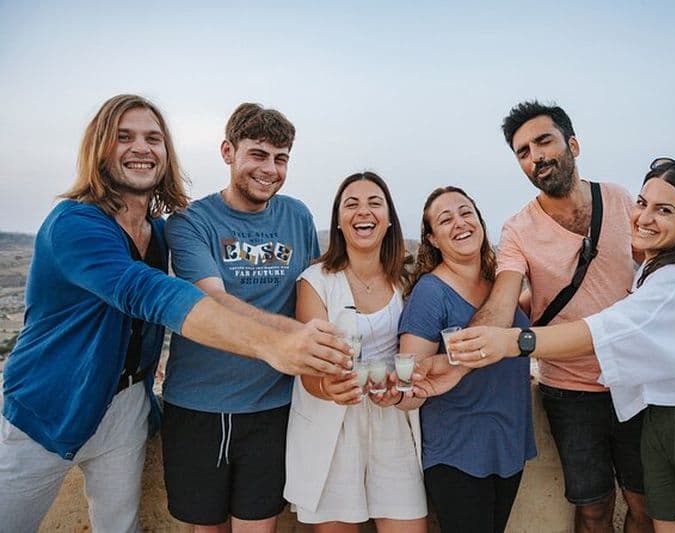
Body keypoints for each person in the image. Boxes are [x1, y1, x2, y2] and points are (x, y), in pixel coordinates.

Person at [0, 95, 350, 533]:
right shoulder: (75, 224)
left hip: (128, 406)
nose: (141, 148)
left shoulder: (159, 232)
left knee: (120, 526)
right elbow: (152, 293)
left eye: (153, 138)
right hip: (48, 407)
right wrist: (277, 342)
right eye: (124, 137)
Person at [449, 158, 675, 533]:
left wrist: (515, 341)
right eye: (643, 203)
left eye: (665, 210)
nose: (644, 217)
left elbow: (602, 330)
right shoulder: (656, 272)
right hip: (661, 417)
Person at [161, 103, 330, 532]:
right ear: (228, 151)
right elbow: (213, 301)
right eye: (258, 154)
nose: (270, 169)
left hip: (273, 407)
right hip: (199, 405)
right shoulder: (190, 221)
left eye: (281, 158)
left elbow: (312, 290)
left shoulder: (297, 215)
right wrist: (296, 334)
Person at [284, 171, 427, 532]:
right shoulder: (315, 281)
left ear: (389, 219)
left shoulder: (406, 281)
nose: (364, 211)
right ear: (338, 221)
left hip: (394, 421)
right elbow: (309, 368)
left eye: (374, 203)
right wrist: (328, 387)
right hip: (332, 425)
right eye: (352, 204)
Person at [395, 186, 536, 533]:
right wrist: (395, 393)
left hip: (508, 441)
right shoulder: (431, 292)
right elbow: (411, 380)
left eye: (466, 212)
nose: (460, 223)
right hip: (457, 450)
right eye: (446, 220)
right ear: (433, 239)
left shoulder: (501, 286)